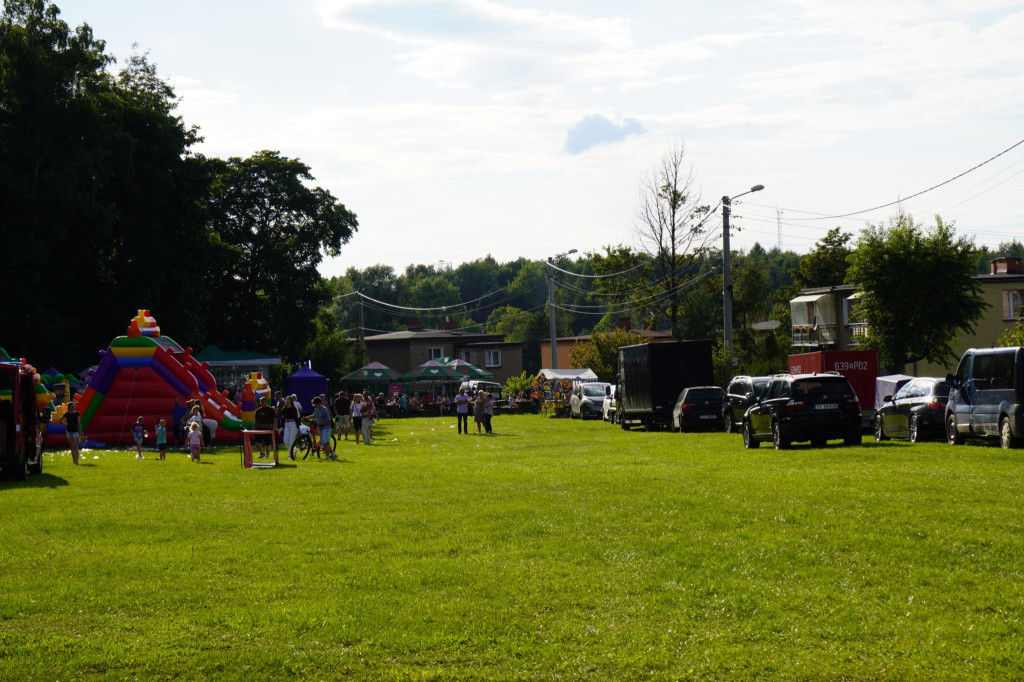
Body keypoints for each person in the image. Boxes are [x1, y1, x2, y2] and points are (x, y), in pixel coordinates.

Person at [59, 401, 83, 465]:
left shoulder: (77, 414)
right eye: (72, 406)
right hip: (69, 431)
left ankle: (76, 461)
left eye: (74, 406)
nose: (74, 407)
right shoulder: (66, 414)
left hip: (75, 431)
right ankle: (74, 461)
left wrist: (81, 432)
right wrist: (65, 425)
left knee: (75, 446)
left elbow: (78, 423)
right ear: (69, 407)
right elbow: (60, 419)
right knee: (72, 447)